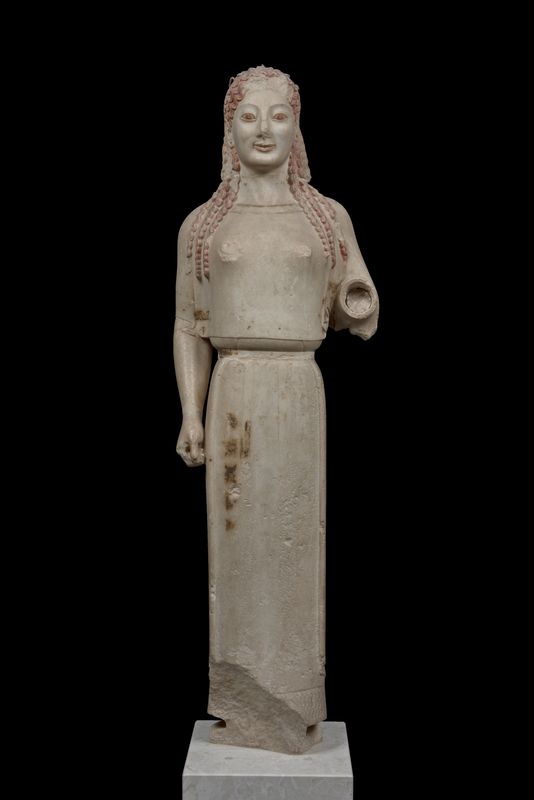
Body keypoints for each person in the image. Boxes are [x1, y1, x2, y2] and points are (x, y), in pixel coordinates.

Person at [174, 66, 378, 754]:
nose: (264, 130)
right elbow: (189, 324)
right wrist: (192, 413)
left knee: (295, 540)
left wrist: (355, 301)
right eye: (249, 116)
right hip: (234, 392)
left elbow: (358, 305)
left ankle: (290, 701)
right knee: (236, 549)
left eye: (279, 115)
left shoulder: (326, 217)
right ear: (228, 130)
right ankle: (243, 697)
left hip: (296, 391)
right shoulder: (204, 225)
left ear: (298, 127)